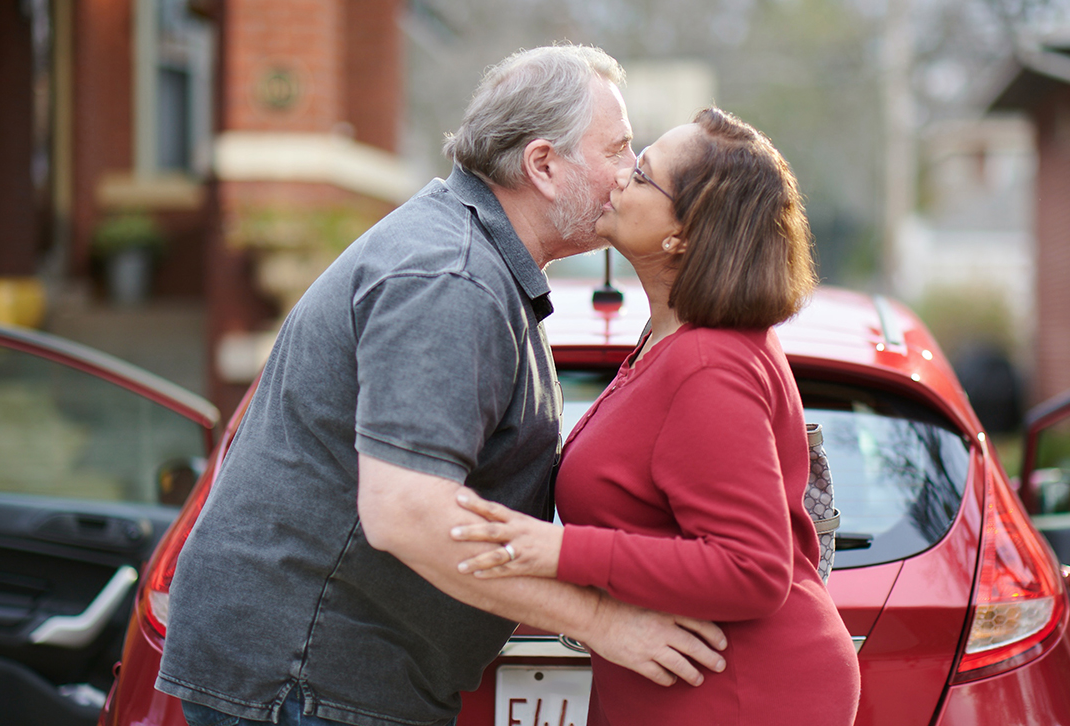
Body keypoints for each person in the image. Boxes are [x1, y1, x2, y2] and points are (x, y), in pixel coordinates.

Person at [155, 45, 727, 726]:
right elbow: (406, 513)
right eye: (618, 148)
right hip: (304, 683)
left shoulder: (476, 262)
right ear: (543, 166)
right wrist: (602, 622)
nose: (631, 170)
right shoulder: (450, 282)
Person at [450, 108, 863, 725]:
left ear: (685, 235)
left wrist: (556, 550)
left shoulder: (709, 363)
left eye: (642, 176)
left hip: (744, 693)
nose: (619, 177)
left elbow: (752, 568)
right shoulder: (669, 339)